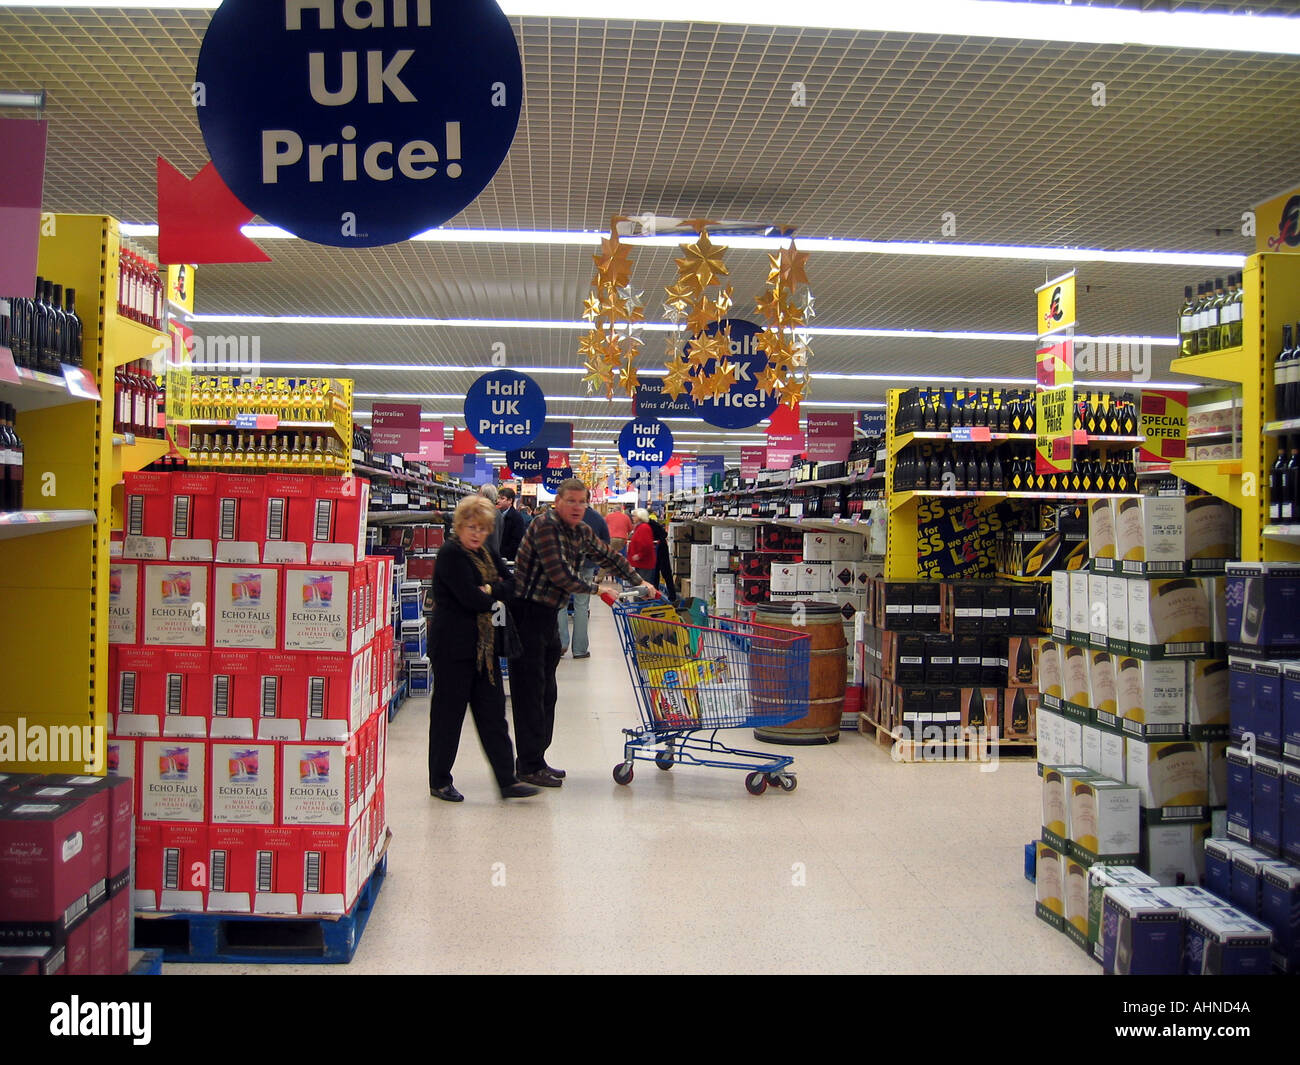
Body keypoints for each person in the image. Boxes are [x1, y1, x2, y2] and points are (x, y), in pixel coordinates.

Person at [510, 478, 656, 786]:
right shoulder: (545, 526)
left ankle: (536, 759)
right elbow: (559, 573)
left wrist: (637, 581)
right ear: (557, 502)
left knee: (546, 691)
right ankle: (527, 765)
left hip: (548, 615)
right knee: (530, 693)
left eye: (582, 502)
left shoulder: (580, 530)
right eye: (571, 501)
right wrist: (597, 589)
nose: (577, 507)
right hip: (526, 615)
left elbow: (607, 556)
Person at [427, 495, 539, 802]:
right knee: (448, 716)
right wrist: (494, 594)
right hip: (452, 647)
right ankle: (439, 781)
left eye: (482, 528)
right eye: (471, 527)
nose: (476, 533)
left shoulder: (488, 551)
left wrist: (491, 589)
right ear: (459, 526)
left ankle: (507, 780)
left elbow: (512, 586)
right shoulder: (450, 554)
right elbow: (470, 599)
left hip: (484, 648)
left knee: (493, 714)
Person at [558, 504, 610, 660]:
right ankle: (580, 650)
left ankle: (561, 644)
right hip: (586, 567)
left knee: (561, 604)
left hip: (564, 566)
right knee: (581, 606)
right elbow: (605, 543)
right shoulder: (597, 518)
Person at [647, 512, 679, 602]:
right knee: (664, 573)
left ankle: (667, 596)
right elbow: (664, 534)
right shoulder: (652, 523)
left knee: (659, 573)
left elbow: (663, 534)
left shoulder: (648, 524)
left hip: (659, 548)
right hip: (661, 547)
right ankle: (670, 596)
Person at [626, 508, 657, 583]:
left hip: (644, 562)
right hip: (640, 563)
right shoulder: (639, 527)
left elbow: (647, 545)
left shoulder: (644, 528)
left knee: (643, 585)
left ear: (640, 517)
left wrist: (639, 555)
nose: (632, 518)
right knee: (640, 584)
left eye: (634, 516)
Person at [498, 485, 527, 560]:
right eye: (498, 498)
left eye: (502, 498)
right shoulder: (497, 514)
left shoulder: (516, 518)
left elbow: (517, 541)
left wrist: (504, 554)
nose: (498, 500)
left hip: (509, 559)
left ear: (510, 500)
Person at [477, 484, 503, 555]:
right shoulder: (497, 512)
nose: (478, 496)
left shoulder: (486, 512)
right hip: (493, 554)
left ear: (485, 496)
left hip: (486, 555)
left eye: (479, 493)